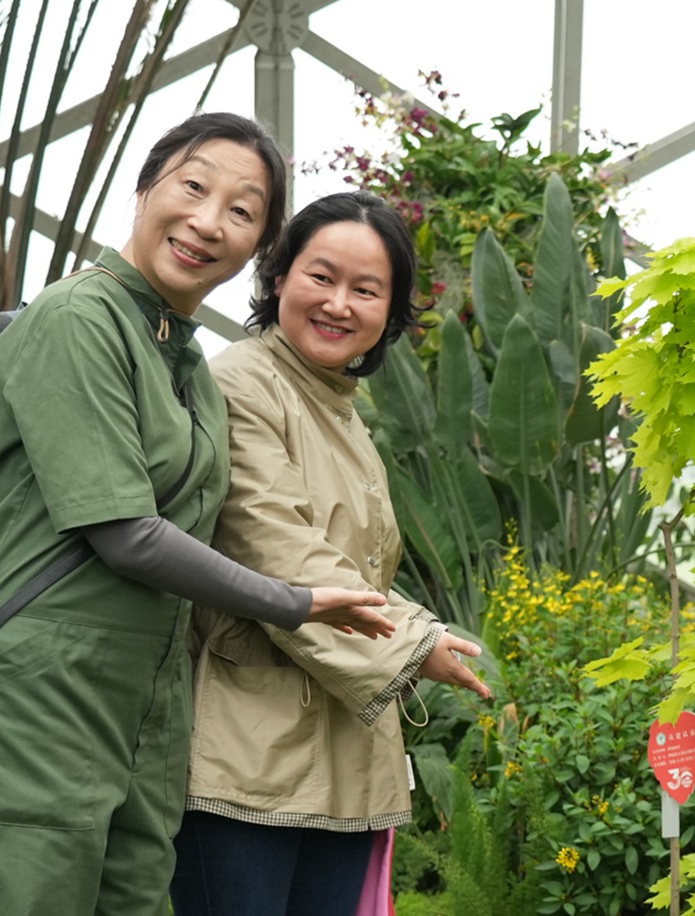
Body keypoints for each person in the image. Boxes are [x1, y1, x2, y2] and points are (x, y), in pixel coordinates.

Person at [0, 113, 398, 916]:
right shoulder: (76, 318)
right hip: (49, 684)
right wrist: (292, 600)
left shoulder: (184, 357)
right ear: (147, 183)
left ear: (258, 246)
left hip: (153, 695)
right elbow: (123, 533)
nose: (207, 221)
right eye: (194, 186)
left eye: (243, 210)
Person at [168, 192, 492, 915]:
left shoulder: (343, 411)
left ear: (390, 311)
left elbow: (359, 570)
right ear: (279, 276)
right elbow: (274, 546)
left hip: (343, 759)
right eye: (322, 276)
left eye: (366, 290)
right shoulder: (239, 385)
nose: (340, 304)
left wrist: (427, 632)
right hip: (245, 760)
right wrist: (416, 645)